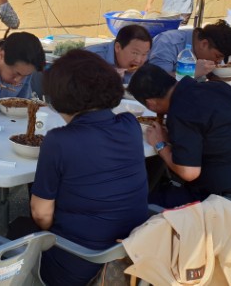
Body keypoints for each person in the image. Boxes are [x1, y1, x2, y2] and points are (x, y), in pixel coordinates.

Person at [10, 50, 148, 285]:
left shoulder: (59, 141)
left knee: (15, 228)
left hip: (78, 262)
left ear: (60, 96)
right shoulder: (130, 125)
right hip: (129, 255)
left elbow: (41, 215)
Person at [128, 64, 231, 236]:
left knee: (139, 206)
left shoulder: (181, 109)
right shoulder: (218, 87)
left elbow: (188, 172)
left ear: (150, 103)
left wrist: (160, 145)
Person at [148, 20, 231, 78]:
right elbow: (156, 80)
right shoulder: (168, 43)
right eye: (217, 56)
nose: (219, 62)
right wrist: (190, 72)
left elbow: (213, 77)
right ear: (204, 44)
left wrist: (225, 74)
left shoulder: (215, 49)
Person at [84, 24, 153, 84]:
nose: (138, 60)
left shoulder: (147, 61)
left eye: (144, 54)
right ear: (118, 47)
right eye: (135, 53)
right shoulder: (91, 59)